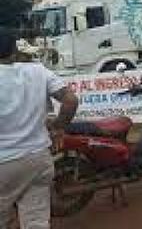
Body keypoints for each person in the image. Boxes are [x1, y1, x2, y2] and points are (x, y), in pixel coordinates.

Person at [0, 27, 78, 229]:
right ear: (14, 49)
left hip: (4, 162)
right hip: (38, 158)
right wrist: (59, 128)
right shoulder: (37, 71)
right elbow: (70, 100)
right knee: (36, 222)